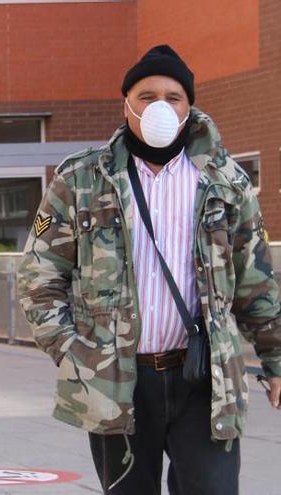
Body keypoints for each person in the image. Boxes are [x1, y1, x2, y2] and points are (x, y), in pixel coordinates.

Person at [16, 45, 281, 495]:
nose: (160, 105)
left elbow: (255, 281)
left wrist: (275, 359)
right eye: (146, 95)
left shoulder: (226, 181)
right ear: (126, 104)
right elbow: (39, 275)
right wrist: (70, 350)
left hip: (204, 380)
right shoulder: (81, 178)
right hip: (116, 380)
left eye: (173, 96)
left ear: (189, 105)